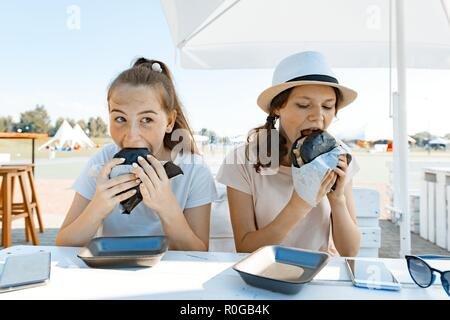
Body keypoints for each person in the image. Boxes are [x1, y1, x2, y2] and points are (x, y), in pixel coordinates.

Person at [56, 58, 217, 251]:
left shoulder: (194, 170)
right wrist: (98, 207)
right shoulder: (102, 162)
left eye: (146, 119)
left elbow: (198, 253)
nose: (132, 136)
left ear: (169, 122)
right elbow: (63, 244)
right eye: (120, 118)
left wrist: (167, 208)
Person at [216, 51, 360, 256]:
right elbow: (245, 248)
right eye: (303, 105)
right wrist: (300, 204)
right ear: (277, 108)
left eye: (328, 106)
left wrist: (338, 200)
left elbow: (350, 251)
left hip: (319, 274)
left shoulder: (339, 156)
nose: (318, 117)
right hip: (263, 273)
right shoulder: (241, 161)